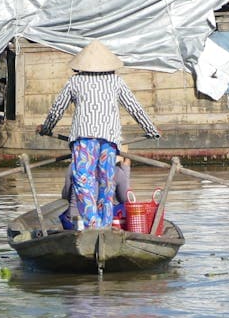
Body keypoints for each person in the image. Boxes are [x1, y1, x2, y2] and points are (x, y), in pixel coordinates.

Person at [37, 40, 159, 229]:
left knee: (83, 181)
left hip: (84, 139)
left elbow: (56, 110)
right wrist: (151, 130)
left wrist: (46, 128)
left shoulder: (75, 82)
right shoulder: (116, 81)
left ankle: (92, 224)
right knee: (106, 181)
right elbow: (135, 108)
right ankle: (104, 224)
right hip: (109, 140)